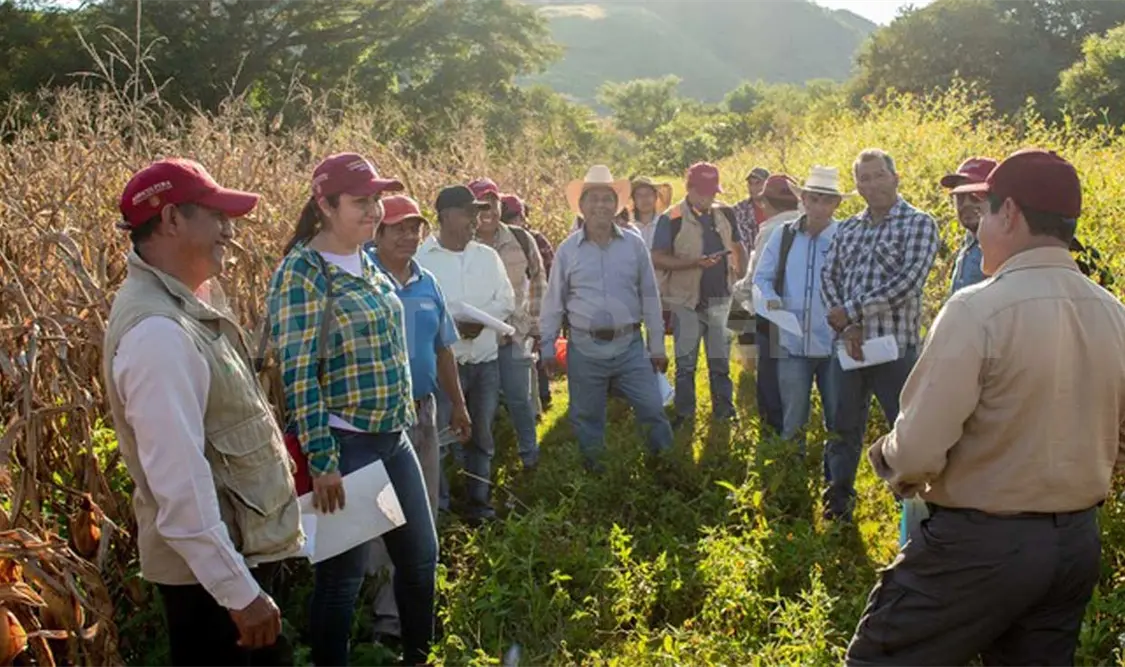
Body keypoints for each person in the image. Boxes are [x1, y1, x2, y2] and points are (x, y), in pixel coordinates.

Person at [846, 148, 1125, 665]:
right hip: (1075, 545)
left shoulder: (977, 308)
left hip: (978, 546)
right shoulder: (1114, 313)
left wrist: (887, 456)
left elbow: (918, 450)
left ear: (1010, 213)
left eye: (987, 212)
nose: (979, 231)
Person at [103, 158, 302, 666]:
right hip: (213, 585)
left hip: (227, 567)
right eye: (216, 215)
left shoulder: (189, 304)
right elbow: (181, 487)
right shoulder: (158, 334)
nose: (229, 230)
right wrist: (240, 594)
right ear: (171, 219)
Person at [265, 153, 437, 666]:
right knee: (342, 580)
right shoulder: (303, 272)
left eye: (376, 200)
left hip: (393, 437)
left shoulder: (365, 260)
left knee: (420, 560)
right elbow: (298, 373)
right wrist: (323, 460)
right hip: (346, 443)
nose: (374, 211)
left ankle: (418, 657)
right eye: (361, 202)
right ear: (325, 204)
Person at [364, 194, 472, 647]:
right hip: (376, 418)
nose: (409, 236)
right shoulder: (363, 282)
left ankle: (417, 612)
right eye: (398, 228)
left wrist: (458, 405)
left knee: (422, 511)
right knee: (380, 517)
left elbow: (443, 349)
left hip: (423, 411)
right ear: (377, 233)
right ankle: (384, 619)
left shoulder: (428, 283)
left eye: (415, 228)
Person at [820, 148, 940, 522]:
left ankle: (912, 506)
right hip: (849, 346)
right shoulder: (847, 228)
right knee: (841, 427)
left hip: (895, 348)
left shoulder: (918, 223)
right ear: (857, 186)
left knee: (904, 428)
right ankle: (838, 502)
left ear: (895, 177)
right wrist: (847, 325)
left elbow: (908, 282)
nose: (872, 184)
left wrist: (852, 311)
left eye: (878, 175)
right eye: (864, 178)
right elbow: (828, 277)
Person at [540, 165, 673, 472]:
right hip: (585, 347)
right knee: (587, 416)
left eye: (607, 199)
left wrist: (656, 346)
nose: (600, 205)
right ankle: (596, 476)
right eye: (594, 199)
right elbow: (554, 301)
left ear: (617, 205)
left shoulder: (634, 245)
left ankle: (666, 469)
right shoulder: (568, 250)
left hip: (629, 345)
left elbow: (650, 296)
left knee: (652, 408)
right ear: (582, 206)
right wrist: (547, 345)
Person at [417, 185, 515, 524]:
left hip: (485, 362)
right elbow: (420, 310)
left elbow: (506, 299)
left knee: (482, 437)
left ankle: (479, 505)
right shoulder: (422, 261)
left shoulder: (487, 256)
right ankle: (440, 510)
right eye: (467, 213)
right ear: (445, 216)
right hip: (446, 367)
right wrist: (454, 325)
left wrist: (480, 320)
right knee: (439, 440)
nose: (476, 220)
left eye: (477, 213)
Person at [751, 167, 846, 453]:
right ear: (803, 199)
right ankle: (793, 471)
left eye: (827, 200)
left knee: (838, 421)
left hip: (833, 345)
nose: (819, 206)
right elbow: (762, 279)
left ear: (836, 204)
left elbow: (856, 283)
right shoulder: (783, 236)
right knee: (792, 419)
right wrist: (775, 308)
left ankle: (835, 475)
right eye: (814, 198)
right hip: (792, 344)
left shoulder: (845, 237)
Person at [651, 162, 746, 427]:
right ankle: (684, 414)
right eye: (704, 192)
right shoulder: (671, 218)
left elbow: (738, 247)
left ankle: (725, 412)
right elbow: (657, 257)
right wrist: (694, 263)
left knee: (720, 363)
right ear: (689, 188)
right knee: (685, 365)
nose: (709, 197)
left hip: (721, 299)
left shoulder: (726, 212)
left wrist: (741, 279)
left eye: (713, 191)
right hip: (686, 302)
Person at [469, 178, 545, 471]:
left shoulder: (521, 239)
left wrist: (535, 324)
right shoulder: (464, 243)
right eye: (480, 206)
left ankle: (530, 456)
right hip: (478, 338)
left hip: (516, 333)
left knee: (519, 398)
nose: (487, 212)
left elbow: (538, 280)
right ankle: (482, 462)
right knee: (482, 404)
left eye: (492, 204)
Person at [737, 174, 803, 435]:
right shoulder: (811, 225)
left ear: (766, 203)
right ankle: (796, 430)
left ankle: (774, 436)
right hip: (805, 314)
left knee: (770, 379)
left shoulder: (770, 230)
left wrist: (736, 298)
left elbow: (754, 280)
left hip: (773, 314)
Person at [501, 194, 555, 414]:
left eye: (516, 217)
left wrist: (540, 315)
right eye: (509, 218)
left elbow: (545, 273)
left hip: (529, 310)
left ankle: (542, 397)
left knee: (533, 358)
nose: (514, 222)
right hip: (508, 313)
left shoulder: (532, 240)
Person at [940, 157, 997, 295]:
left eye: (975, 195)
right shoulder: (969, 242)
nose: (966, 203)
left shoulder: (1004, 247)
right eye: (960, 197)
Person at [733, 166, 771, 268]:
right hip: (750, 265)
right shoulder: (739, 210)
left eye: (758, 183)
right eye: (750, 183)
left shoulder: (777, 208)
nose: (753, 187)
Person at [628, 176, 673, 249]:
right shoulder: (626, 223)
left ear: (655, 197)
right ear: (634, 199)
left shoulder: (665, 222)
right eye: (639, 195)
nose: (644, 199)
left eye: (648, 194)